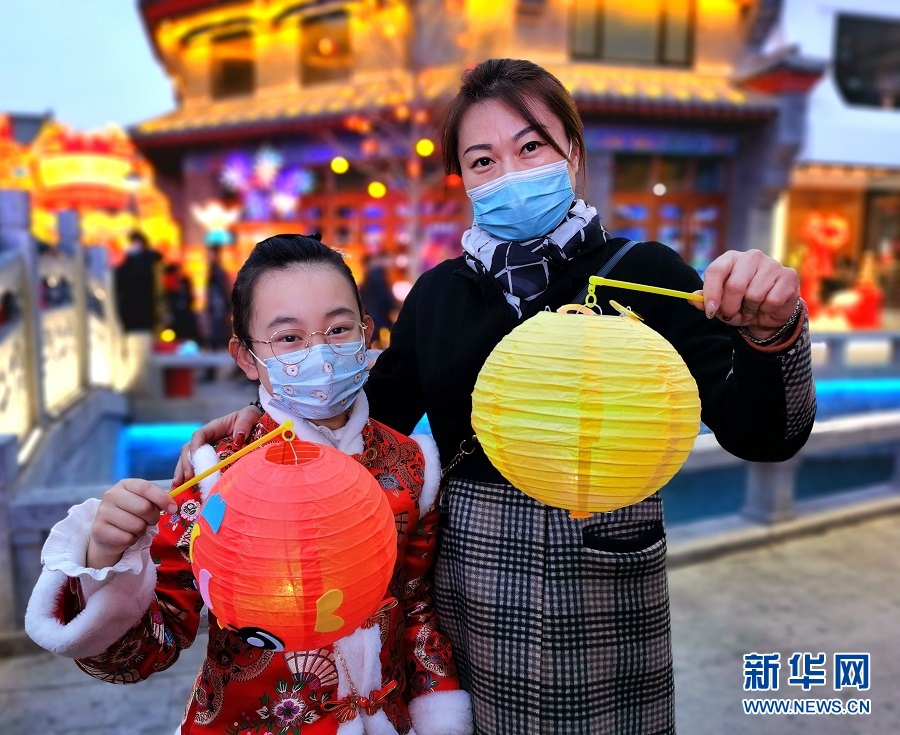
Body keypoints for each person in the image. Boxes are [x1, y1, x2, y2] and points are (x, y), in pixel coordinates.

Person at [173, 60, 817, 734]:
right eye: (482, 160)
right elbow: (366, 427)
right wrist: (270, 418)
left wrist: (770, 333)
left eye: (530, 146)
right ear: (464, 180)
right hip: (475, 581)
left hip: (607, 575)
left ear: (572, 148)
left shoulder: (646, 274)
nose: (508, 173)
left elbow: (765, 433)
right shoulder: (439, 295)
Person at [25, 234, 473, 735]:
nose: (319, 352)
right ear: (244, 356)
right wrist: (104, 561)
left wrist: (440, 716)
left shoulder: (411, 464)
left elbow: (414, 607)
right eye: (289, 338)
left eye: (338, 328)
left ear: (367, 333)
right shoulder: (216, 476)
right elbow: (146, 650)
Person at [113, 230, 162, 332]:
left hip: (145, 301)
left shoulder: (148, 257)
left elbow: (157, 256)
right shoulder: (127, 261)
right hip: (130, 303)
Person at [162, 262, 200, 343]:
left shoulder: (185, 281)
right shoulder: (169, 281)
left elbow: (190, 296)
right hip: (175, 312)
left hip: (185, 311)